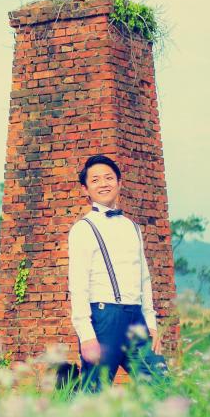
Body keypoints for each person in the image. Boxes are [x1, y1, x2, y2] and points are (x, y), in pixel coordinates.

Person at [68, 154, 164, 390]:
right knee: (95, 393)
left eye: (109, 178)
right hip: (104, 319)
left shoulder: (133, 227)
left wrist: (151, 323)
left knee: (162, 386)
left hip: (136, 319)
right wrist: (86, 335)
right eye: (95, 180)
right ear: (85, 189)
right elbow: (78, 285)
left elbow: (144, 278)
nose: (103, 184)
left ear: (119, 183)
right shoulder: (83, 229)